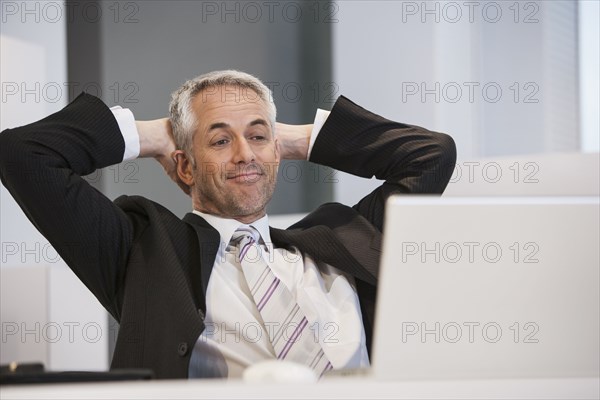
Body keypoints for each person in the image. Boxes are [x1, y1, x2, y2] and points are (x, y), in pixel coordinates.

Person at [0, 70, 456, 379]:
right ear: (184, 167)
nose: (244, 154)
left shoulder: (343, 239)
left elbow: (430, 155)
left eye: (257, 136)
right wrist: (157, 135)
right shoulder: (141, 251)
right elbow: (24, 154)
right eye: (220, 140)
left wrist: (288, 139)